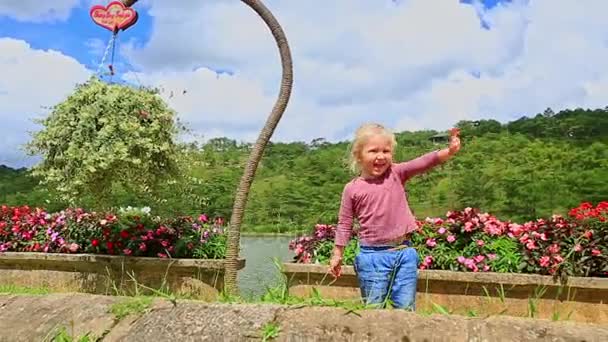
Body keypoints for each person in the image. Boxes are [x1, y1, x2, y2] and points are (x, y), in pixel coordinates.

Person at [328, 123, 461, 310]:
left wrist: (449, 151)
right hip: (371, 257)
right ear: (358, 155)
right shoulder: (352, 188)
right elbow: (345, 223)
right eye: (373, 151)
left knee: (405, 309)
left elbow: (423, 162)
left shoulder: (396, 174)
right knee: (374, 309)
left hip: (403, 252)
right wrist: (337, 254)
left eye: (386, 151)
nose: (381, 156)